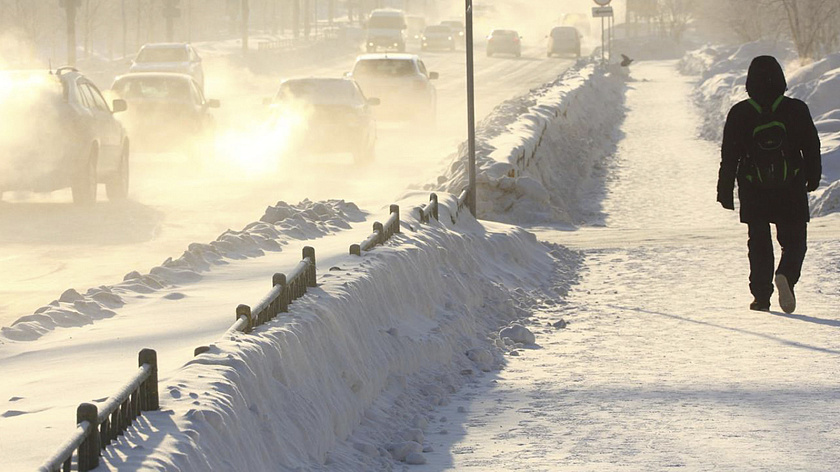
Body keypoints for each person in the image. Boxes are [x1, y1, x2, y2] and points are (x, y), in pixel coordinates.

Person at [717, 55, 821, 314]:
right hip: (791, 186)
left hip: (753, 188)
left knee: (759, 243)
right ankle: (786, 275)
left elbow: (729, 155)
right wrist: (813, 176)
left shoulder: (740, 113)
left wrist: (725, 190)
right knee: (795, 241)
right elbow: (811, 146)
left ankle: (761, 297)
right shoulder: (796, 109)